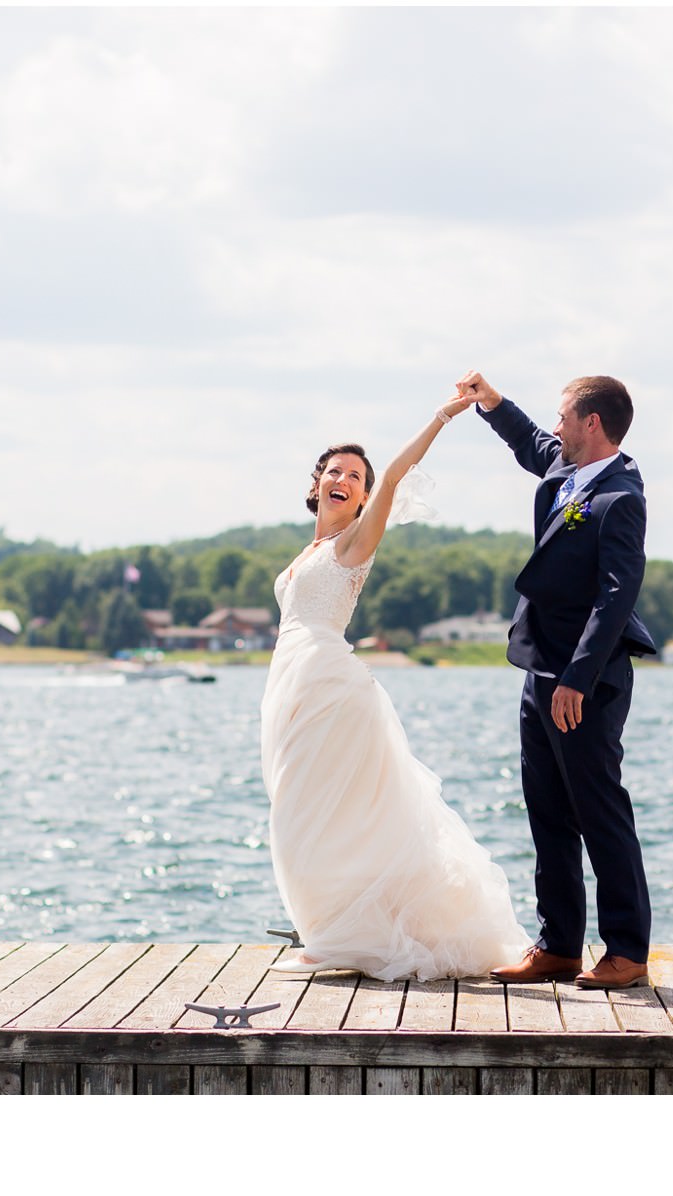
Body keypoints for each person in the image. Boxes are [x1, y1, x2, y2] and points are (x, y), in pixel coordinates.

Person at [260, 395, 532, 980]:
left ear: (364, 496)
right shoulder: (308, 549)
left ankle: (336, 936)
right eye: (334, 471)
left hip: (330, 689)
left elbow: (400, 473)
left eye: (356, 477)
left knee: (318, 814)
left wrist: (440, 418)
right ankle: (332, 928)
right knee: (302, 810)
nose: (343, 480)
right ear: (316, 484)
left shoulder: (355, 542)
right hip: (292, 686)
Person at [452, 370, 658, 990]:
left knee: (599, 810)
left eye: (565, 417)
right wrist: (491, 403)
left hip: (585, 681)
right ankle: (560, 945)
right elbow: (532, 444)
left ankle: (626, 951)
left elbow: (616, 596)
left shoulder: (621, 497)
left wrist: (577, 676)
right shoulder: (566, 471)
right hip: (538, 669)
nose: (557, 427)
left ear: (592, 424)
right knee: (546, 811)